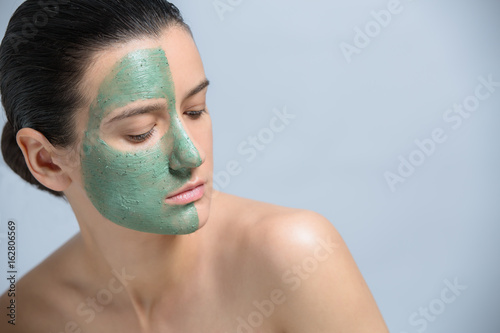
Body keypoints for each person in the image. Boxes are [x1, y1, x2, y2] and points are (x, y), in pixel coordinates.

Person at [0, 0, 389, 332]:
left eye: (195, 110)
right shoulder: (21, 318)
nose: (192, 156)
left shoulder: (296, 258)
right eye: (140, 132)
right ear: (47, 160)